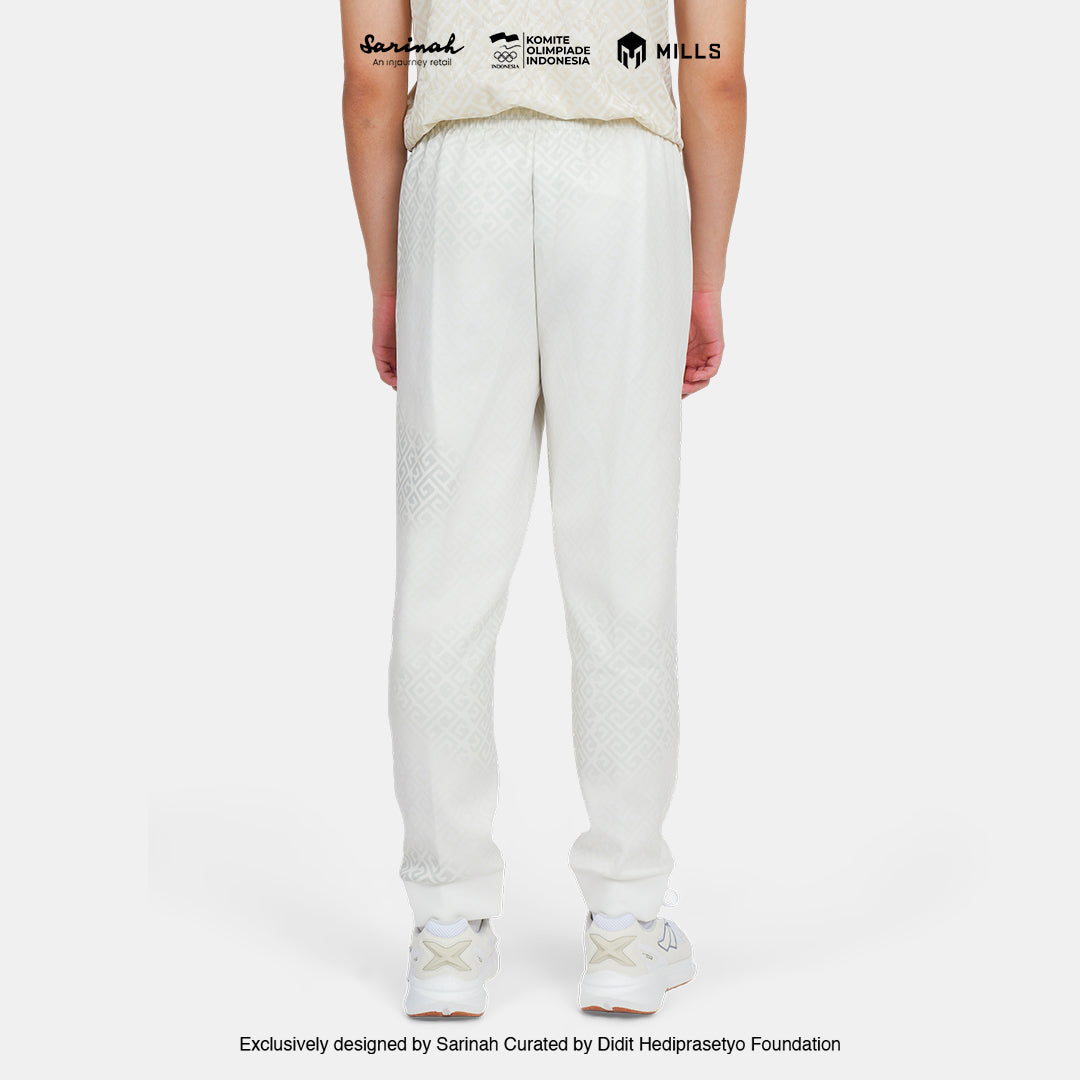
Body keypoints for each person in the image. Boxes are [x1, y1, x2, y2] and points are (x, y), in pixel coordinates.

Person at [339, 0, 746, 1017]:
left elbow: (372, 81)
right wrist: (704, 276)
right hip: (622, 179)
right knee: (624, 559)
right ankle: (625, 924)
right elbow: (715, 74)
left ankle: (444, 932)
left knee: (443, 578)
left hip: (458, 182)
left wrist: (389, 282)